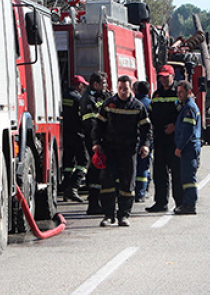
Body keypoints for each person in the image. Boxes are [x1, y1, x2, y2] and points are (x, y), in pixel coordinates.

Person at [93, 75, 151, 227]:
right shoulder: (108, 104)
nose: (122, 91)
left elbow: (146, 129)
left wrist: (145, 145)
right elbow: (98, 125)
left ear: (130, 89)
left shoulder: (138, 107)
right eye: (120, 88)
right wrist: (96, 143)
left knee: (127, 184)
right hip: (109, 149)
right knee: (107, 183)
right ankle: (108, 215)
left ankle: (124, 215)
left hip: (128, 150)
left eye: (125, 89)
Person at [147, 65, 181, 213]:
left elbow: (185, 114)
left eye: (166, 77)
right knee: (159, 173)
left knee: (177, 173)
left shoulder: (179, 93)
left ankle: (180, 202)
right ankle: (160, 203)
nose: (164, 80)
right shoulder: (156, 95)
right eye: (162, 77)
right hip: (160, 139)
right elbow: (151, 114)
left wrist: (175, 126)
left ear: (173, 77)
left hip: (174, 140)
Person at [79, 71, 108, 214]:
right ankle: (93, 204)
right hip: (93, 141)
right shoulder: (88, 99)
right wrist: (98, 140)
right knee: (95, 172)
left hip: (100, 140)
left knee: (99, 171)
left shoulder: (101, 96)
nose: (105, 86)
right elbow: (90, 123)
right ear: (95, 84)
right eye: (103, 83)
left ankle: (98, 203)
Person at [173, 80, 201, 215]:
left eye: (181, 92)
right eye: (178, 92)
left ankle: (190, 204)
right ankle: (188, 203)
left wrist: (179, 147)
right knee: (186, 177)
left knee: (188, 178)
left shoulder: (189, 108)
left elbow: (187, 130)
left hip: (189, 148)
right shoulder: (186, 106)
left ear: (188, 92)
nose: (179, 95)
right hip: (189, 148)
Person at [60, 75, 89, 202]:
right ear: (79, 86)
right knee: (84, 161)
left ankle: (66, 189)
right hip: (78, 134)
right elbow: (82, 116)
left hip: (66, 134)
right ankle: (74, 187)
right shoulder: (79, 99)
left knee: (69, 163)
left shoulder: (62, 97)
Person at [133, 80, 153, 203]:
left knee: (132, 166)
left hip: (133, 138)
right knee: (144, 166)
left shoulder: (133, 103)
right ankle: (141, 193)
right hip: (146, 139)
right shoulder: (150, 104)